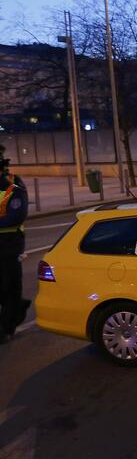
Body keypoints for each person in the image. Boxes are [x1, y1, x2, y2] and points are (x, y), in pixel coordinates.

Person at [0, 145, 30, 344]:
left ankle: (6, 327)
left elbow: (15, 217)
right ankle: (15, 311)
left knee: (8, 287)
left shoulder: (13, 189)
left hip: (9, 246)